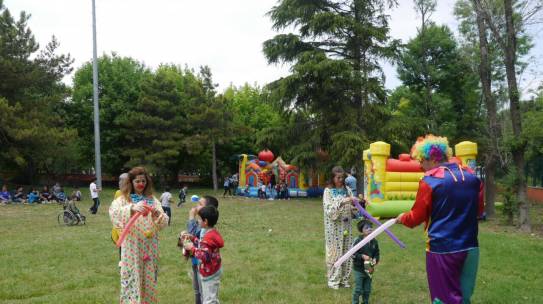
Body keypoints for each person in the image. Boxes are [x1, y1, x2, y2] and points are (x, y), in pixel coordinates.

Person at [396, 135, 484, 304]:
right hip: (471, 247)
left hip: (442, 250)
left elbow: (415, 217)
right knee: (464, 297)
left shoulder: (429, 180)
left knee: (442, 299)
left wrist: (402, 218)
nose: (420, 165)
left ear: (432, 158)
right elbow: (479, 211)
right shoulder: (473, 177)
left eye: (421, 160)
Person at [109, 166, 169, 304]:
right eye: (137, 181)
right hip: (131, 247)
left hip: (149, 246)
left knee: (149, 280)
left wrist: (158, 215)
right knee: (131, 278)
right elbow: (113, 213)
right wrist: (131, 208)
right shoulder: (123, 199)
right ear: (131, 182)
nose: (141, 184)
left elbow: (164, 222)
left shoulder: (152, 200)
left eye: (143, 181)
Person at [178, 195, 219, 304]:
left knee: (206, 295)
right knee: (198, 291)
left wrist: (191, 217)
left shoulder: (208, 230)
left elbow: (202, 248)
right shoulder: (204, 225)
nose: (196, 207)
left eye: (200, 204)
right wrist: (191, 238)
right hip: (197, 263)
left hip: (206, 267)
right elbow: (196, 238)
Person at [323, 166, 356, 289]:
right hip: (334, 229)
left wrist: (357, 206)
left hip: (347, 227)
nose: (340, 180)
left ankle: (344, 279)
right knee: (335, 253)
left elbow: (352, 208)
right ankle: (333, 280)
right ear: (332, 178)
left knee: (347, 252)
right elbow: (329, 210)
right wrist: (343, 201)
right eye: (338, 177)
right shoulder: (328, 191)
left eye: (342, 177)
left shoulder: (347, 190)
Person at [352, 220, 380, 304]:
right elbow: (352, 253)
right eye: (366, 228)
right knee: (358, 289)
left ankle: (365, 302)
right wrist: (362, 256)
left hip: (369, 268)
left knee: (367, 289)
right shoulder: (358, 240)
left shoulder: (374, 241)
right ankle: (355, 302)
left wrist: (375, 259)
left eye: (371, 227)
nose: (369, 229)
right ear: (362, 230)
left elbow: (377, 253)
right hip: (359, 269)